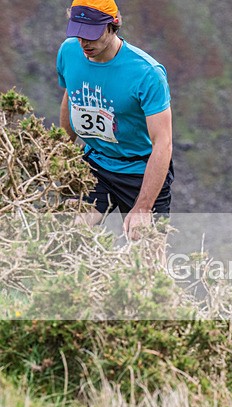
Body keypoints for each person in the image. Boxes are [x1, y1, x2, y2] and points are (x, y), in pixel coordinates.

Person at [57, 0, 173, 239]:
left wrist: (143, 207)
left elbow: (163, 143)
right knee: (68, 235)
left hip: (140, 171)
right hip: (95, 163)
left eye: (91, 33)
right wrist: (60, 157)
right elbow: (71, 96)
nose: (84, 42)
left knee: (146, 254)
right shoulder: (69, 52)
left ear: (114, 24)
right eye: (78, 32)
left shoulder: (147, 73)